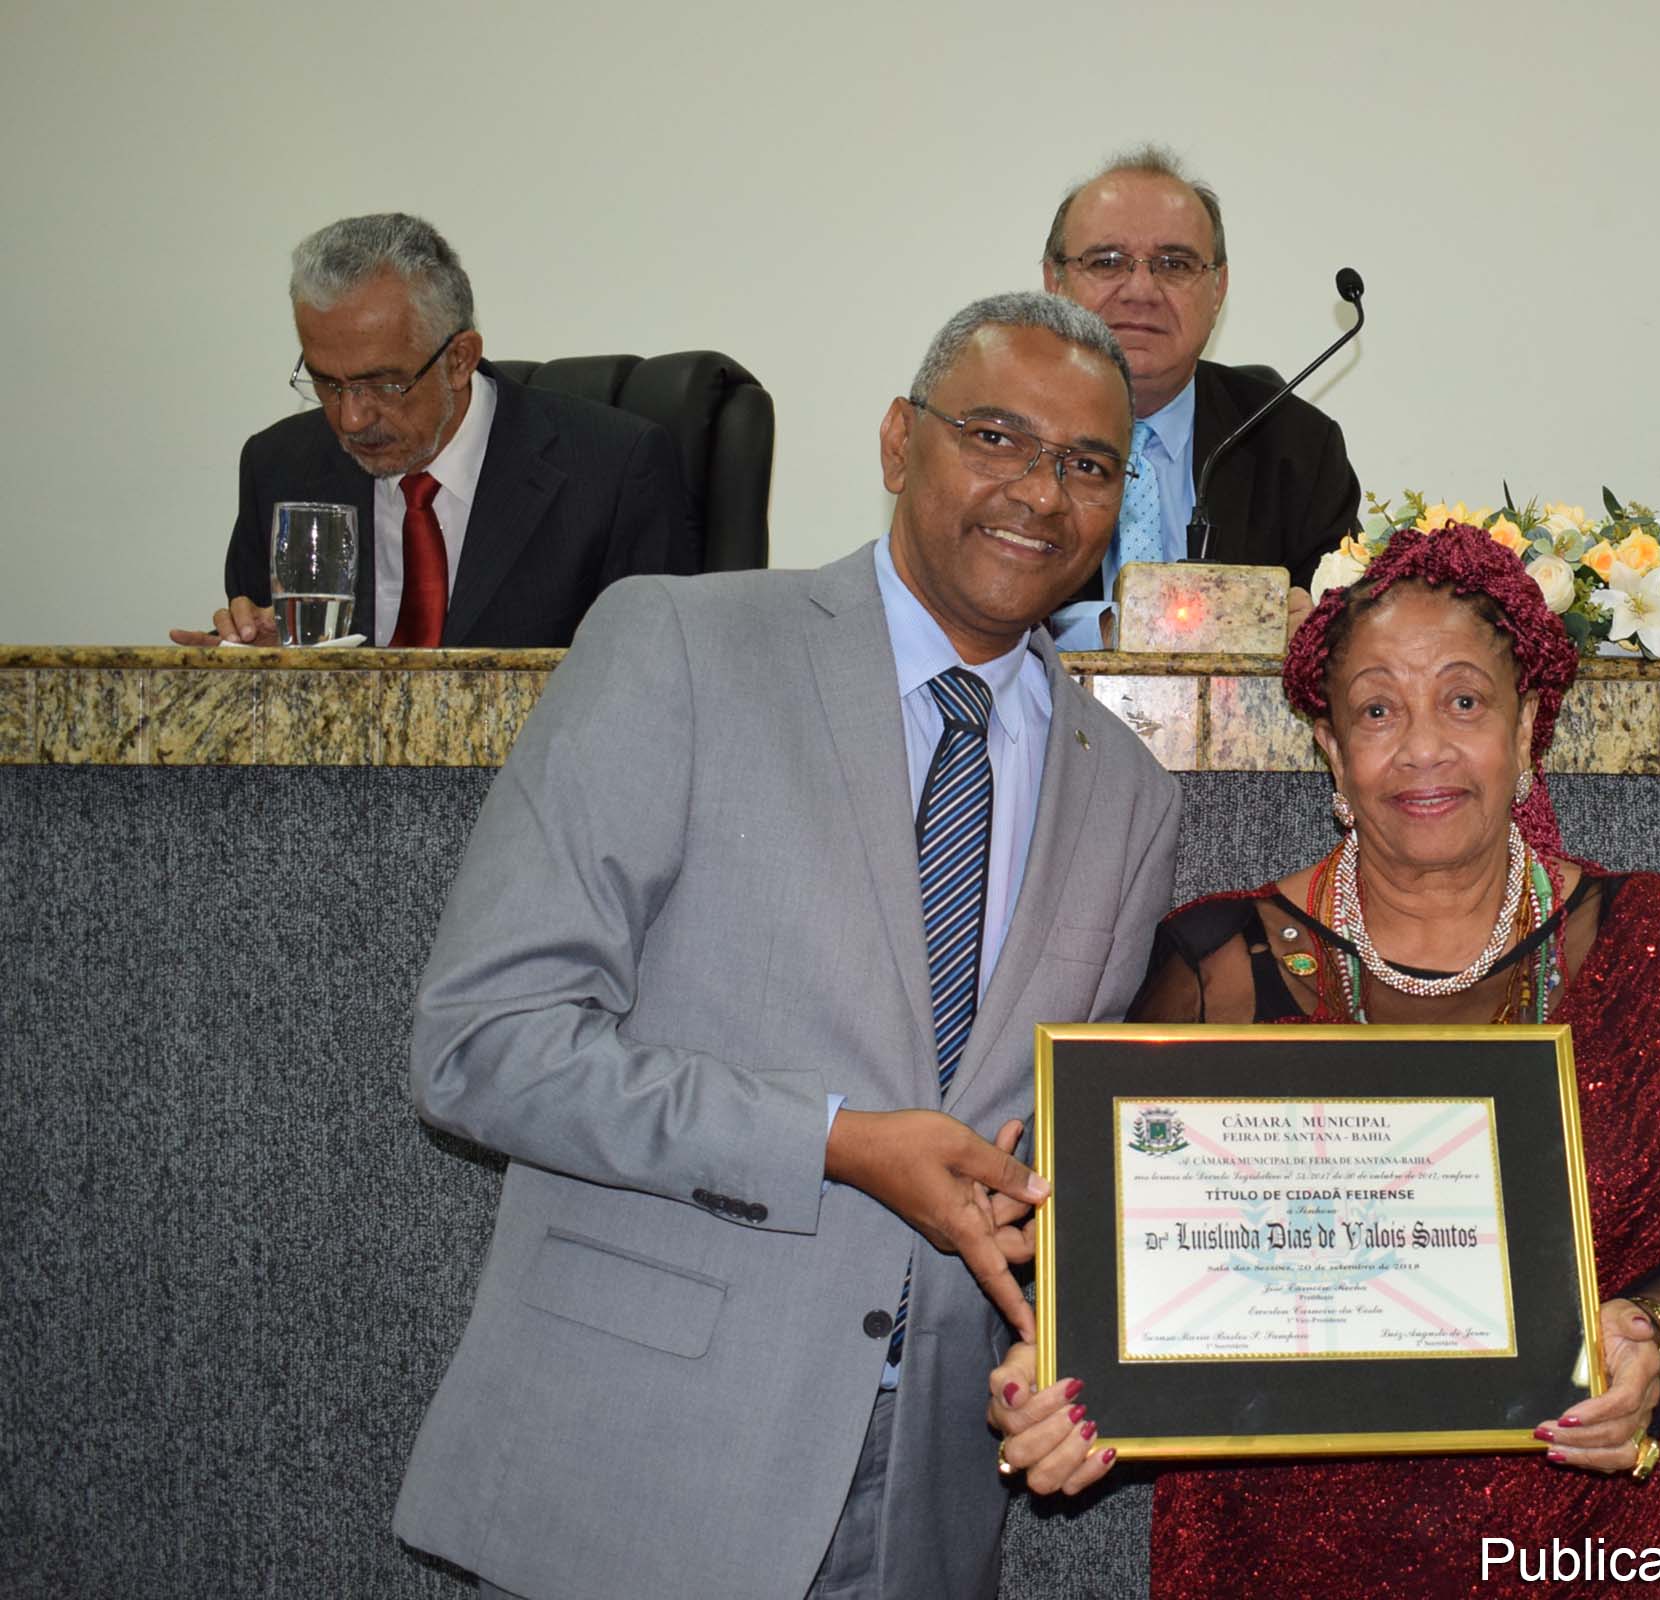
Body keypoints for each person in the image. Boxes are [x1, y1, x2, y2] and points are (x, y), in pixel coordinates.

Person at [390, 291, 1181, 1600]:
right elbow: (482, 1047)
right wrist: (832, 1141)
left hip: (929, 1500)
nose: (1041, 492)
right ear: (898, 441)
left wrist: (1071, 1326)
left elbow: (1050, 1150)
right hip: (649, 1462)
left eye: (1089, 464)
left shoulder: (1132, 793)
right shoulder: (681, 645)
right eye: (996, 435)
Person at [990, 526, 1660, 1597]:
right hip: (1276, 1557)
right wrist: (1055, 1371)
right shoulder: (1218, 963)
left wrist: (1650, 1334)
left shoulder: (1649, 938)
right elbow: (1116, 1266)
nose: (1423, 747)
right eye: (1377, 711)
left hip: (1588, 1538)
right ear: (1330, 747)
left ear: (1527, 726)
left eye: (1464, 701)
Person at [168, 213, 697, 649]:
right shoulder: (278, 466)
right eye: (327, 383)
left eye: (382, 384)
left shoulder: (612, 471)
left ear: (460, 359)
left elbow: (653, 685)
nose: (351, 419)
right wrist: (254, 664)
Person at [1039, 147, 1362, 648]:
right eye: (1107, 262)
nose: (1141, 290)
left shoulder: (1296, 446)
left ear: (1218, 290)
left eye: (1174, 264)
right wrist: (1117, 627)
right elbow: (968, 608)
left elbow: (1349, 627)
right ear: (1054, 283)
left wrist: (1318, 629)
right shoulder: (999, 439)